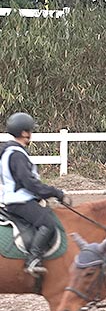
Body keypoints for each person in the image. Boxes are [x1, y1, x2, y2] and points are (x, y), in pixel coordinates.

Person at [0, 113, 68, 275]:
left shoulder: (7, 151)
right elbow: (29, 183)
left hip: (12, 198)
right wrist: (55, 193)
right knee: (48, 224)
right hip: (20, 201)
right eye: (30, 131)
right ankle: (33, 259)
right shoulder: (17, 154)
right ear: (24, 133)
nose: (31, 134)